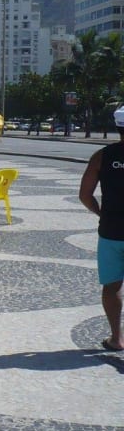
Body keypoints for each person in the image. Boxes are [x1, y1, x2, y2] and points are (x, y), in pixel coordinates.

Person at [78, 106, 124, 351]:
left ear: (118, 128)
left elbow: (85, 195)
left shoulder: (102, 156)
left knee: (112, 285)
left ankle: (116, 338)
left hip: (111, 230)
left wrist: (100, 212)